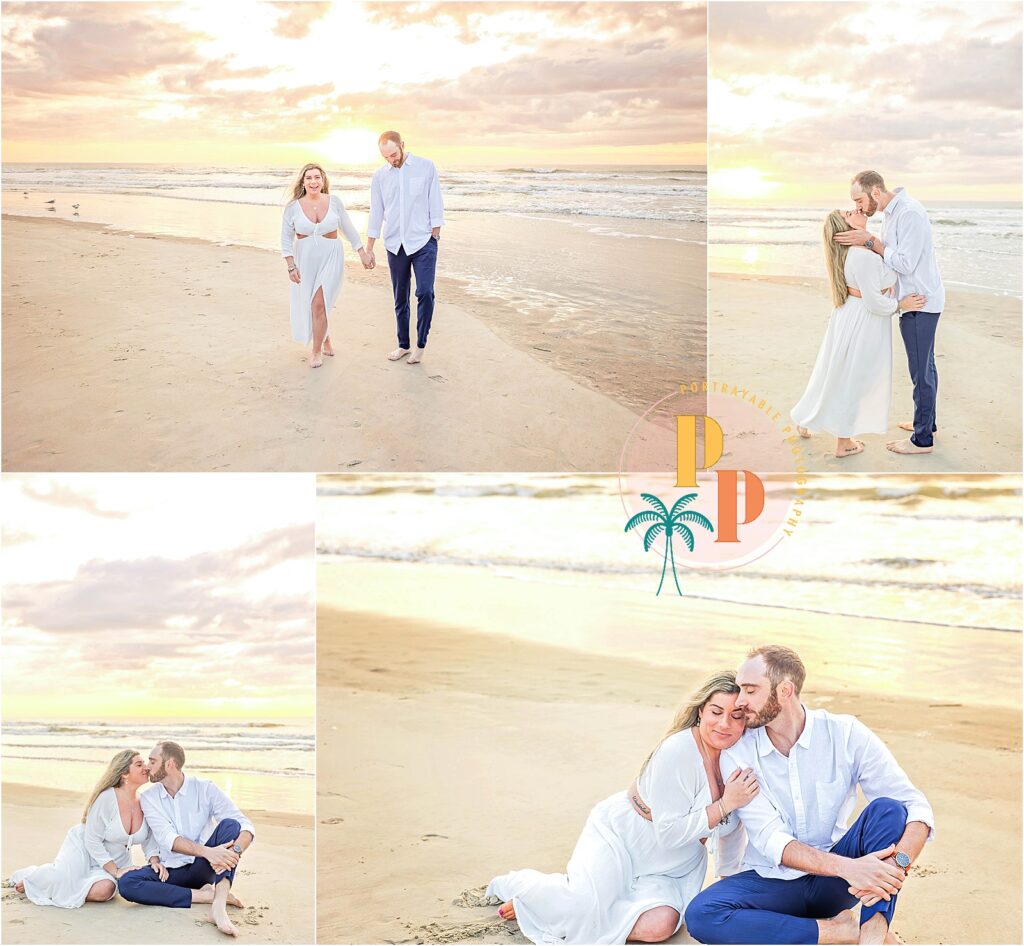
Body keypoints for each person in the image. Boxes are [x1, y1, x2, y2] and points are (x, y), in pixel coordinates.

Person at [684, 645, 934, 946]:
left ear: (785, 690)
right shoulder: (738, 753)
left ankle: (873, 936)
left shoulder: (845, 734)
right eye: (740, 690)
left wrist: (897, 865)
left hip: (836, 884)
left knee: (889, 811)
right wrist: (852, 869)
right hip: (772, 880)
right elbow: (771, 839)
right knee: (702, 915)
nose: (740, 700)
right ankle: (841, 931)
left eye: (750, 690)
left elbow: (914, 806)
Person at [486, 673, 761, 944]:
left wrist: (728, 885)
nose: (724, 724)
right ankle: (536, 894)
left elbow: (732, 831)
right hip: (624, 838)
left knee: (660, 926)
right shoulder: (678, 750)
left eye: (736, 716)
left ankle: (566, 910)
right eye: (716, 712)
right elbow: (668, 833)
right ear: (701, 711)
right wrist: (726, 804)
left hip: (675, 865)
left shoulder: (738, 759)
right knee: (582, 907)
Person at [791, 210, 926, 458]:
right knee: (854, 377)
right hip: (864, 320)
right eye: (848, 213)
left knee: (835, 372)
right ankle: (844, 443)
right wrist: (901, 304)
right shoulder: (861, 257)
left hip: (853, 316)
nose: (855, 210)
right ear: (845, 230)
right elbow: (874, 302)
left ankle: (808, 419)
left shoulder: (860, 253)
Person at [835, 171, 945, 455]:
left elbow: (905, 264)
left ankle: (922, 440)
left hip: (918, 301)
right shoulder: (892, 213)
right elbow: (892, 258)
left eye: (859, 200)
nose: (859, 208)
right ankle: (927, 423)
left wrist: (869, 241)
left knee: (920, 370)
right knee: (925, 367)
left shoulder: (909, 213)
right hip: (912, 299)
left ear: (874, 192)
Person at [117, 741, 253, 937]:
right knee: (127, 883)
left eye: (153, 761)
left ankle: (219, 906)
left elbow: (245, 824)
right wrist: (210, 852)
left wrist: (235, 851)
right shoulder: (149, 798)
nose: (147, 766)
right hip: (171, 872)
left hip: (205, 867)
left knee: (231, 825)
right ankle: (205, 896)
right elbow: (167, 838)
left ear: (170, 764)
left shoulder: (205, 788)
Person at [8, 750, 160, 908]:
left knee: (105, 891)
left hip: (117, 859)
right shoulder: (107, 798)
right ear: (124, 773)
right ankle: (36, 879)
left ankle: (54, 884)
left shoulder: (145, 801)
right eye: (139, 764)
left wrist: (154, 861)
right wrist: (115, 871)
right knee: (62, 878)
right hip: (84, 850)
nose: (146, 768)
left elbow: (149, 838)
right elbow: (92, 840)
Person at [281, 162, 373, 368]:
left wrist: (362, 253)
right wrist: (290, 265)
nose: (313, 181)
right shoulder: (293, 207)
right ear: (303, 182)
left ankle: (315, 352)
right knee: (312, 303)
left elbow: (348, 229)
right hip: (305, 260)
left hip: (331, 256)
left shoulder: (334, 202)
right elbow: (285, 238)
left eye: (317, 177)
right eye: (309, 178)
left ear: (323, 181)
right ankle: (326, 337)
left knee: (319, 303)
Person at [365, 131, 444, 365]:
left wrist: (435, 235)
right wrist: (369, 247)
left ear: (402, 145)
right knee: (400, 297)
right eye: (385, 156)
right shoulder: (380, 176)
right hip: (394, 244)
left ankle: (420, 345)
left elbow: (435, 201)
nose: (391, 159)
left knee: (425, 293)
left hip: (423, 242)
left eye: (394, 154)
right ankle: (403, 345)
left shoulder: (425, 167)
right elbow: (376, 211)